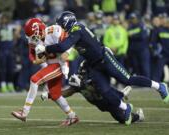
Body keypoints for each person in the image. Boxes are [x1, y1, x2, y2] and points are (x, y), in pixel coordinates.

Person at [36, 11, 169, 124]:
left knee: (127, 79)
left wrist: (45, 48)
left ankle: (159, 86)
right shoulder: (74, 32)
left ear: (67, 22)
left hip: (104, 59)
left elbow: (62, 47)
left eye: (61, 24)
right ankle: (126, 107)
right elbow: (64, 48)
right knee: (104, 92)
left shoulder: (77, 29)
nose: (60, 28)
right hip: (94, 64)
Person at [11, 18, 78, 126]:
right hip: (51, 64)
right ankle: (72, 116)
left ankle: (24, 112)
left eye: (34, 36)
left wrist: (67, 52)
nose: (33, 39)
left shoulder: (54, 31)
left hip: (60, 64)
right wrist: (35, 60)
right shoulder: (33, 39)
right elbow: (31, 53)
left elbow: (70, 41)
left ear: (40, 29)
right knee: (55, 95)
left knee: (34, 80)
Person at [41, 60, 145, 125]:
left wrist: (84, 85)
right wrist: (50, 94)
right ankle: (121, 94)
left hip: (109, 102)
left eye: (83, 70)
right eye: (81, 70)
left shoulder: (94, 78)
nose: (81, 71)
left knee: (123, 119)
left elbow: (98, 91)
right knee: (120, 118)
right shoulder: (79, 80)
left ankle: (138, 115)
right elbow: (67, 92)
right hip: (102, 106)